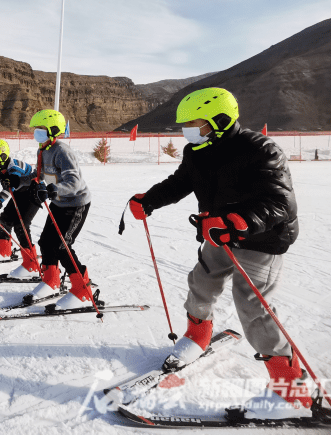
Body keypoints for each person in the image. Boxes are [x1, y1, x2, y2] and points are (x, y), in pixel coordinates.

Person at [128, 88, 312, 419]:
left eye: (194, 123)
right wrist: (150, 199)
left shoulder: (261, 150)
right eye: (184, 124)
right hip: (218, 234)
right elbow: (179, 183)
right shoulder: (196, 150)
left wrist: (236, 221)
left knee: (253, 310)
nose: (187, 130)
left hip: (262, 239)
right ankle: (197, 336)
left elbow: (281, 203)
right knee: (201, 283)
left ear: (220, 121)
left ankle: (292, 391)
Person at [28, 109, 95, 310]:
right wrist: (23, 181)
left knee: (61, 246)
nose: (36, 132)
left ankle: (82, 290)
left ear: (53, 130)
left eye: (41, 129)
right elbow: (39, 175)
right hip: (58, 202)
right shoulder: (43, 150)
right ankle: (51, 281)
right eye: (36, 129)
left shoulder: (62, 151)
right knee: (46, 242)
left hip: (76, 203)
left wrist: (53, 190)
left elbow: (74, 182)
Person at [0, 139, 41, 271]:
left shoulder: (14, 167)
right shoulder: (1, 167)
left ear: (2, 157)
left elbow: (9, 189)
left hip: (33, 194)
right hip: (20, 194)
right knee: (5, 218)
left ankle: (31, 264)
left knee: (21, 225)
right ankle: (4, 251)